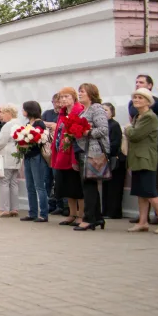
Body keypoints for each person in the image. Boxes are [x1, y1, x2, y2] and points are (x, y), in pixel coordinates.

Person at [126, 88, 158, 234]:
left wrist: (127, 129)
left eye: (140, 97)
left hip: (146, 158)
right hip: (137, 158)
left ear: (148, 101)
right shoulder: (139, 116)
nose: (136, 100)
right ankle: (143, 222)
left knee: (150, 191)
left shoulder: (149, 117)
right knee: (141, 192)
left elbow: (135, 135)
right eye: (135, 97)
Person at [71, 83, 109, 231]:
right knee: (89, 185)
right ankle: (97, 217)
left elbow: (103, 130)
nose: (79, 94)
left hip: (94, 152)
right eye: (79, 91)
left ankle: (89, 218)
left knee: (89, 185)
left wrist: (87, 132)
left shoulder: (96, 108)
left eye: (82, 91)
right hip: (83, 150)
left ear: (91, 93)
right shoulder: (84, 111)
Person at [51, 87, 85, 226]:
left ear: (74, 98)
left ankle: (81, 215)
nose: (64, 100)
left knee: (77, 187)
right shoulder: (62, 113)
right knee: (67, 187)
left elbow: (76, 137)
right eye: (62, 97)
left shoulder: (79, 111)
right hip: (61, 154)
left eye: (67, 97)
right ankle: (72, 213)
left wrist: (74, 159)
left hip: (73, 154)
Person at [20, 101, 49, 222]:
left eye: (24, 109)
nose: (22, 111)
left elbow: (39, 139)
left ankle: (43, 214)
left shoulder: (39, 123)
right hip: (27, 156)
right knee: (29, 186)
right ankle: (32, 212)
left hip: (37, 156)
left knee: (39, 186)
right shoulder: (28, 123)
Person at [0, 104, 20, 218]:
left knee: (3, 182)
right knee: (13, 183)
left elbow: (1, 140)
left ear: (9, 113)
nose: (1, 115)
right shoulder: (19, 123)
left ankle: (4, 209)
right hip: (16, 157)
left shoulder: (9, 125)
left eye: (3, 113)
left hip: (6, 156)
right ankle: (14, 208)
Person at [101, 102, 125, 219]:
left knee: (114, 187)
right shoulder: (101, 126)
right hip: (104, 159)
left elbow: (115, 143)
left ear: (112, 112)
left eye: (106, 110)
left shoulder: (114, 125)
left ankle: (114, 211)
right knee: (106, 187)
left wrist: (104, 149)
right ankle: (105, 210)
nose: (103, 112)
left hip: (114, 159)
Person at [42, 94, 62, 215]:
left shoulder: (63, 114)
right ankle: (49, 204)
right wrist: (52, 125)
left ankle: (61, 205)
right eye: (55, 102)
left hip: (59, 150)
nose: (58, 105)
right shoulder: (47, 113)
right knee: (47, 180)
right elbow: (41, 124)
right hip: (47, 151)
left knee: (58, 179)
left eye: (60, 102)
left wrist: (54, 126)